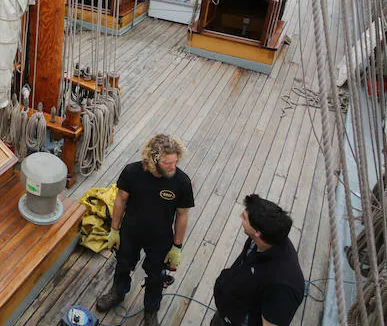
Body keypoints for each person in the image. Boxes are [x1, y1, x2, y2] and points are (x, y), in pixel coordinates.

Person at [96, 134, 194, 326]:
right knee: (123, 264)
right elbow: (120, 199)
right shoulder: (132, 172)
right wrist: (114, 230)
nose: (173, 167)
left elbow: (182, 215)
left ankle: (151, 309)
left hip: (160, 238)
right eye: (167, 163)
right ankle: (118, 292)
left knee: (156, 276)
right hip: (131, 232)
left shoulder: (181, 182)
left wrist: (177, 247)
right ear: (153, 159)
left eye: (175, 162)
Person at [211, 195, 304, 326]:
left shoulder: (283, 287)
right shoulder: (262, 239)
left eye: (244, 217)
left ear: (258, 232)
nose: (240, 218)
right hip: (227, 312)